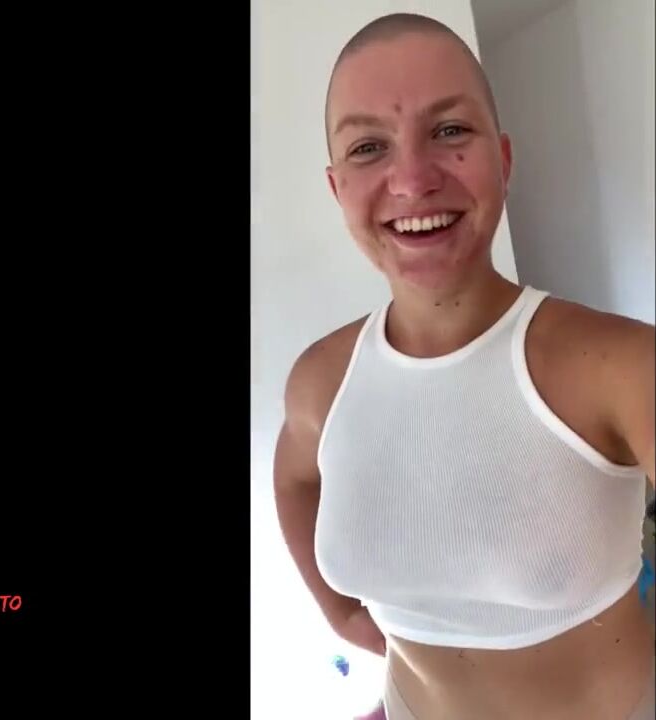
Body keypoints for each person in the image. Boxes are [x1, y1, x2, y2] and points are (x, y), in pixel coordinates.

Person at [272, 12, 655, 720]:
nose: (412, 179)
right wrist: (340, 614)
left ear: (503, 161)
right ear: (337, 188)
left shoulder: (620, 366)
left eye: (449, 131)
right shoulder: (321, 380)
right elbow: (295, 479)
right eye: (368, 147)